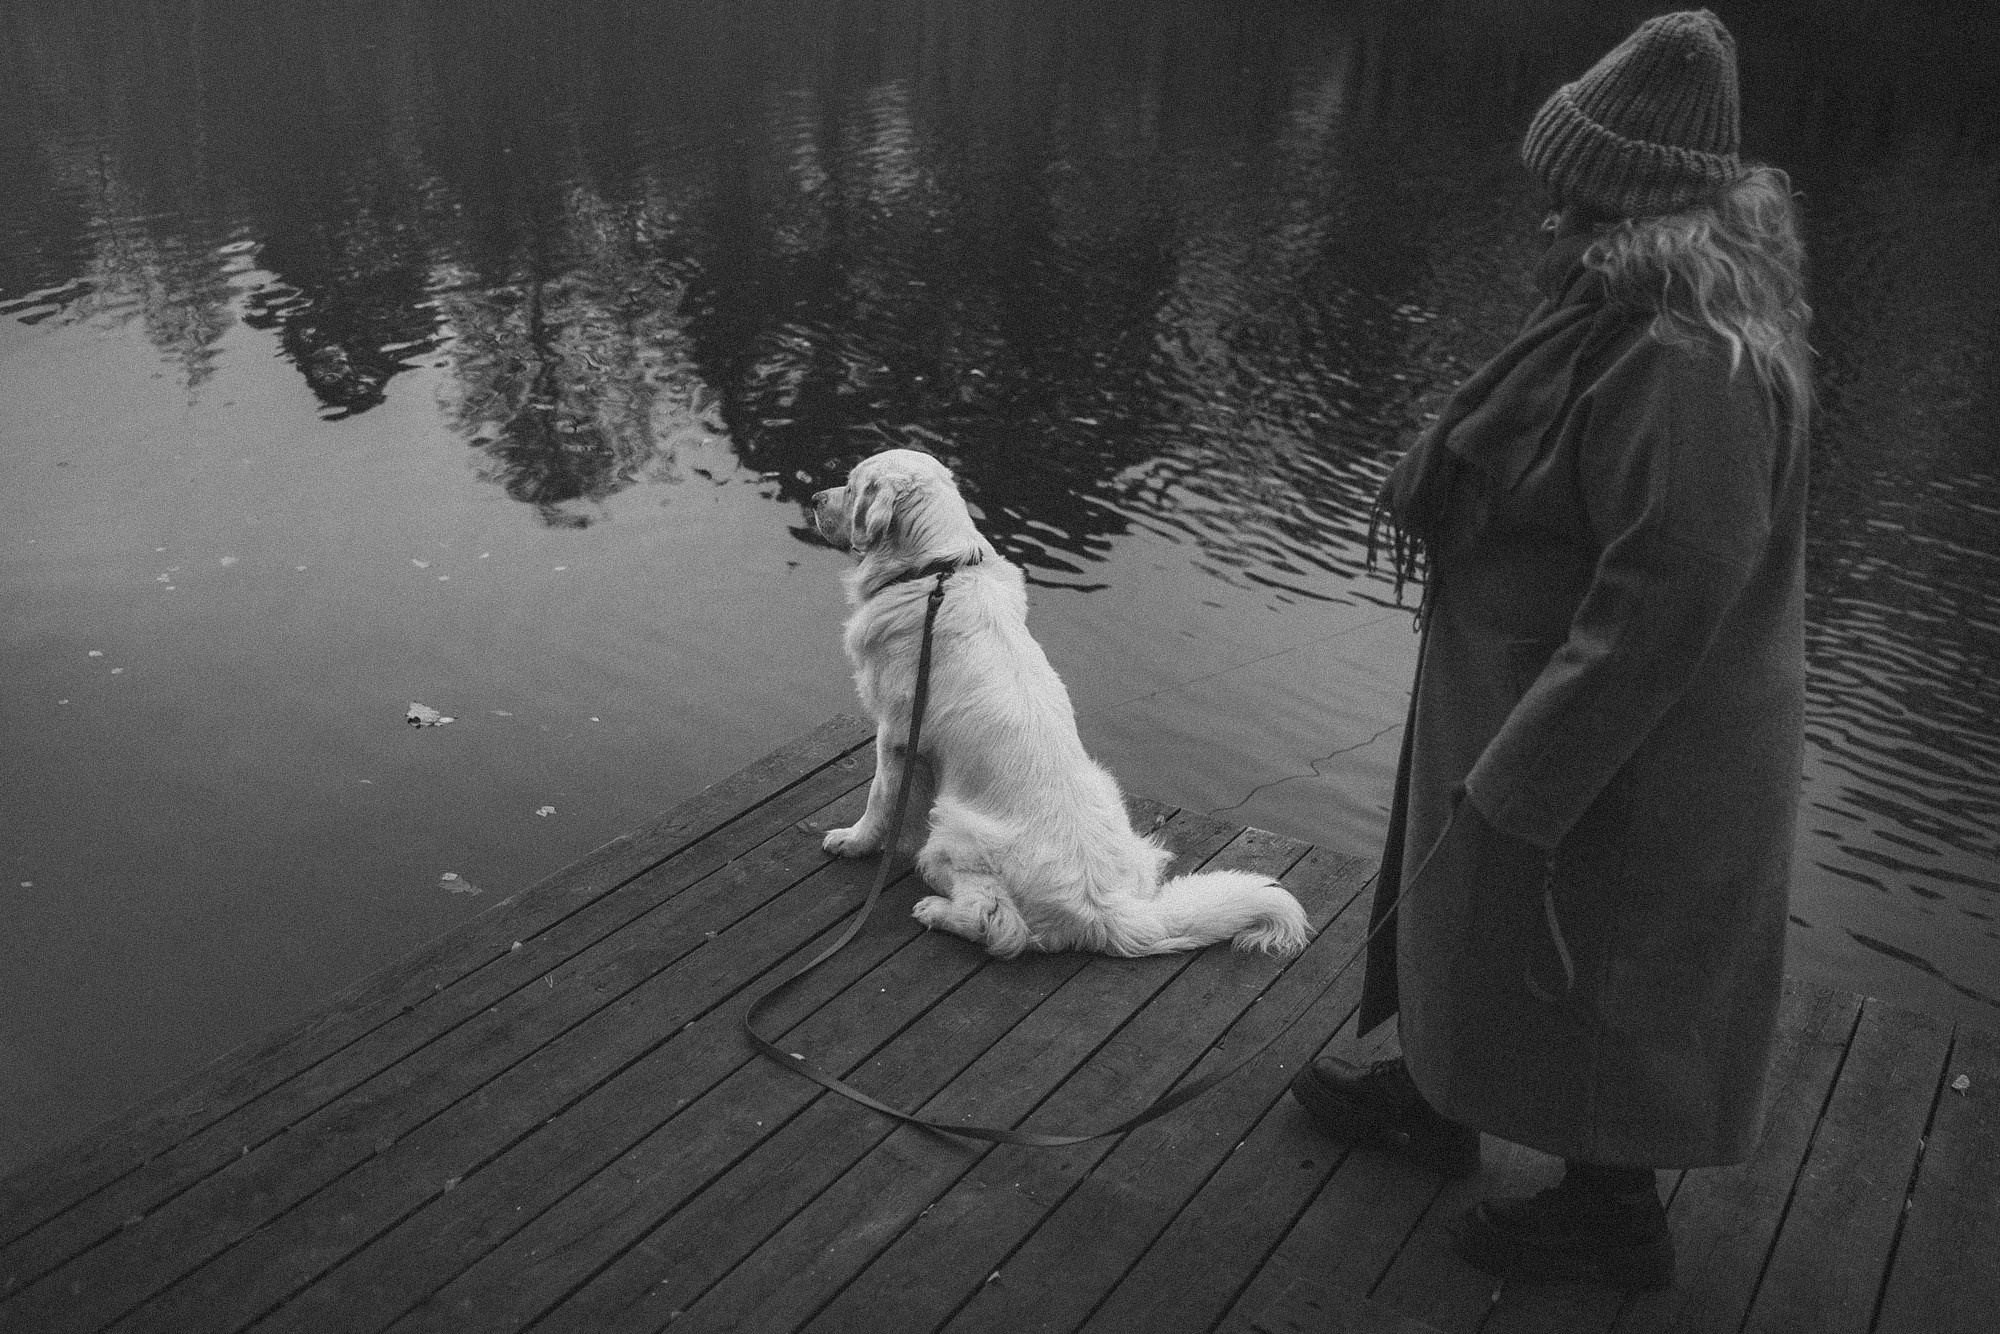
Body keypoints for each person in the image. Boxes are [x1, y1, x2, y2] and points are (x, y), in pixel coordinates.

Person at [1290, 10, 1813, 1290]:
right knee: (1475, 917)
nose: (1544, 216)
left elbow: (1670, 595)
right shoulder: (1622, 305)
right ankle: (1437, 1092)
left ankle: (1610, 1209)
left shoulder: (1691, 360)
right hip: (1521, 683)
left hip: (1630, 747)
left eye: (1568, 192)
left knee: (1607, 962)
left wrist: (1531, 768)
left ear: (1631, 202)